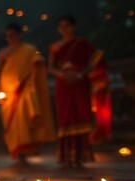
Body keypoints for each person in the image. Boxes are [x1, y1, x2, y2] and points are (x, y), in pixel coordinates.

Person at [49, 15, 109, 168]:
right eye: (61, 26)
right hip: (63, 84)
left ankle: (81, 156)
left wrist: (81, 74)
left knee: (81, 115)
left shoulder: (82, 44)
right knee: (65, 118)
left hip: (79, 82)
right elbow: (50, 67)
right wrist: (63, 75)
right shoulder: (55, 47)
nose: (64, 29)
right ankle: (66, 157)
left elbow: (96, 59)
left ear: (73, 27)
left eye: (67, 26)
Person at [0, 23, 56, 167]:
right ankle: (16, 153)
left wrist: (28, 83)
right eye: (7, 36)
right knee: (10, 125)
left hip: (24, 92)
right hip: (7, 93)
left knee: (24, 122)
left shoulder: (30, 50)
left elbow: (38, 64)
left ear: (20, 35)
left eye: (13, 35)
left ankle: (24, 155)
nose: (10, 39)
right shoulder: (3, 52)